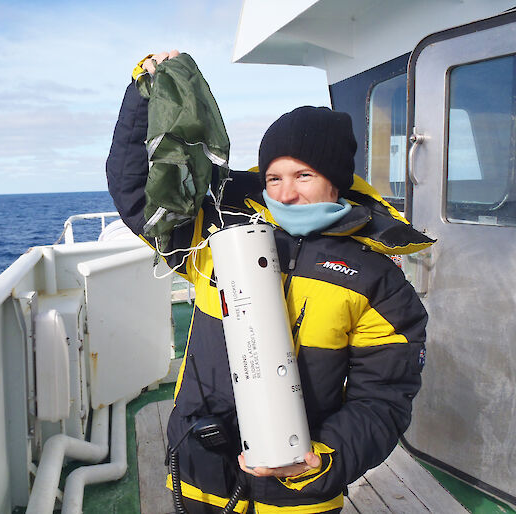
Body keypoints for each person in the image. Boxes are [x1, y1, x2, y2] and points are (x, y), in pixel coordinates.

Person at [106, 50, 429, 514]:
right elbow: (137, 191)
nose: (286, 192)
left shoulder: (375, 278)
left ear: (336, 182)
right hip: (201, 470)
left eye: (304, 175)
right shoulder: (216, 238)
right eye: (273, 177)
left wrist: (322, 463)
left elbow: (383, 398)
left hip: (299, 492)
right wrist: (145, 93)